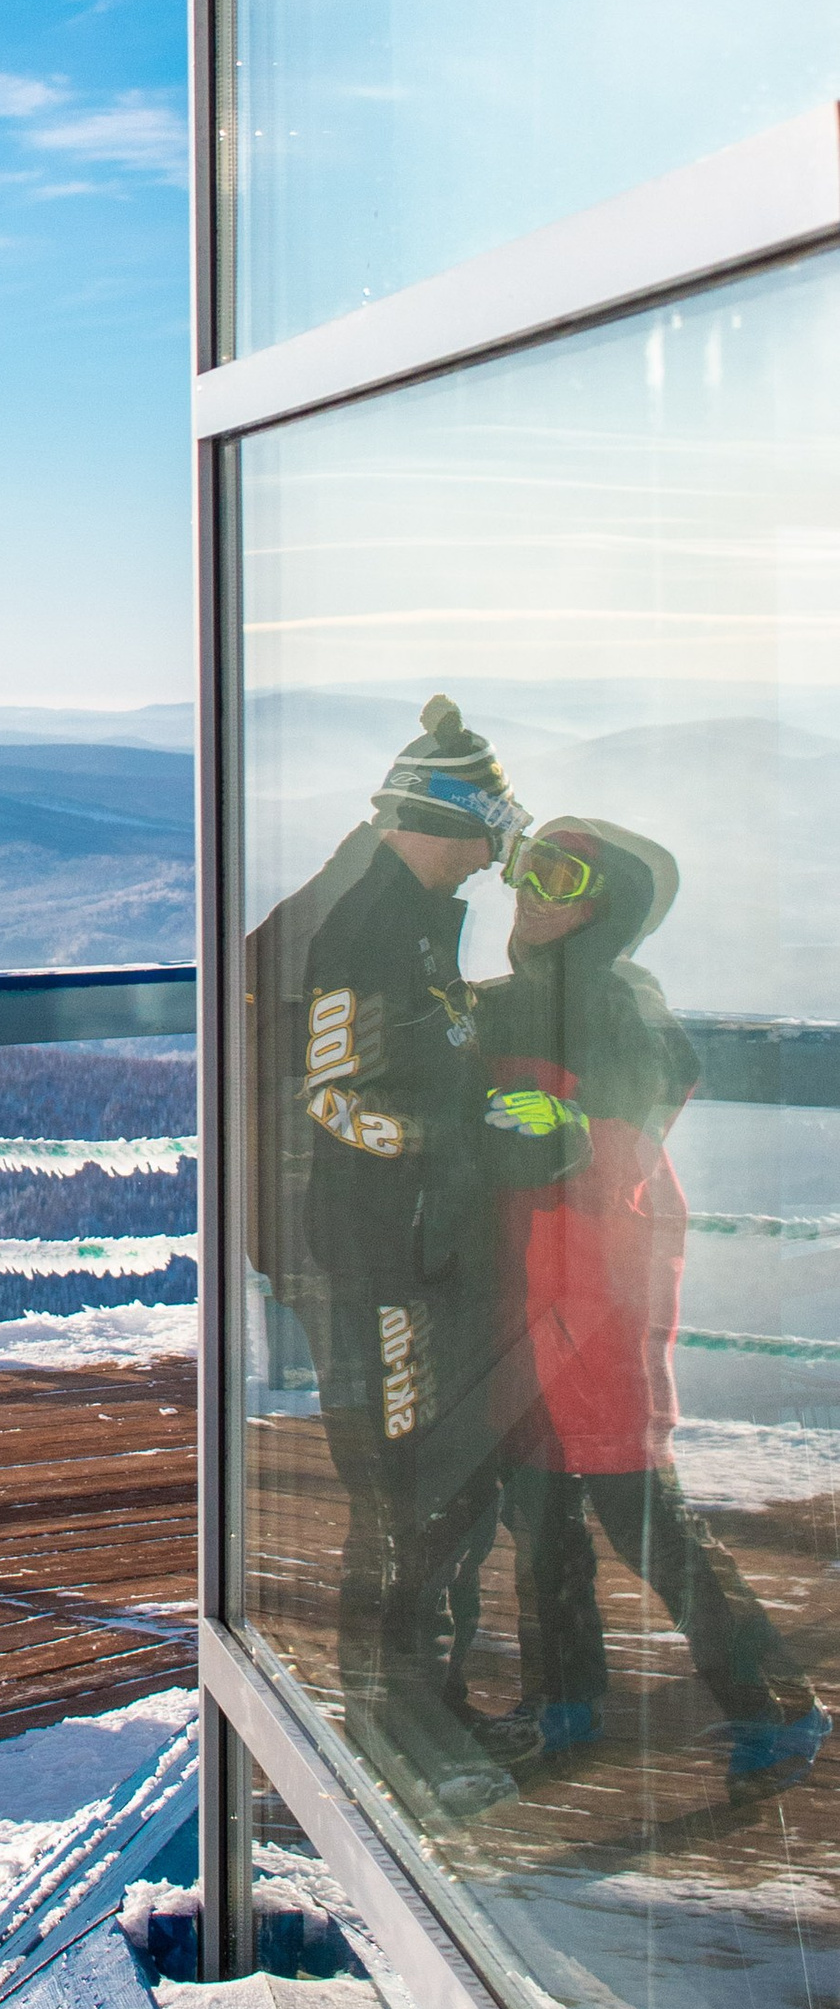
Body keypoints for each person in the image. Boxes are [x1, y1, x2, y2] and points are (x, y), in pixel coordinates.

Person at [479, 817, 827, 1793]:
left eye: (561, 872)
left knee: (637, 1508)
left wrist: (579, 1132)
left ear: (606, 906)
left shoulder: (619, 998)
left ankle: (778, 1707)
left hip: (596, 1290)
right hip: (521, 1285)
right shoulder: (511, 1002)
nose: (532, 887)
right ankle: (563, 1704)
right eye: (524, 865)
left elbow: (645, 1110)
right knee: (537, 1508)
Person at [246, 694, 547, 1821]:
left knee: (441, 1490)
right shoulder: (364, 923)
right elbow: (337, 1104)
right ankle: (391, 1730)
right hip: (371, 1259)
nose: (492, 863)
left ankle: (427, 1707)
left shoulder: (403, 909)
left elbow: (400, 1061)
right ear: (453, 818)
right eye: (490, 835)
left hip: (407, 1247)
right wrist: (478, 1130)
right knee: (405, 1494)